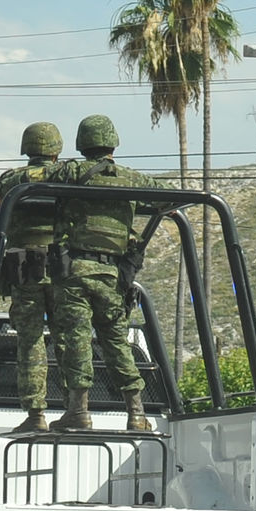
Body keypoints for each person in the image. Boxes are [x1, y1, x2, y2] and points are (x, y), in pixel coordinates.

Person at [45, 114, 166, 431]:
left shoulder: (73, 172)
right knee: (116, 341)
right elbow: (165, 196)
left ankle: (78, 411)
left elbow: (41, 176)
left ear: (82, 143)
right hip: (113, 276)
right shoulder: (132, 179)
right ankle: (136, 413)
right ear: (113, 143)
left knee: (77, 339)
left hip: (75, 272)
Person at [0, 122, 64, 433]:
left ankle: (35, 414)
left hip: (24, 271)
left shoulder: (11, 179)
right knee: (68, 338)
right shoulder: (66, 176)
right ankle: (77, 409)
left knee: (30, 341)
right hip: (61, 270)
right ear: (56, 150)